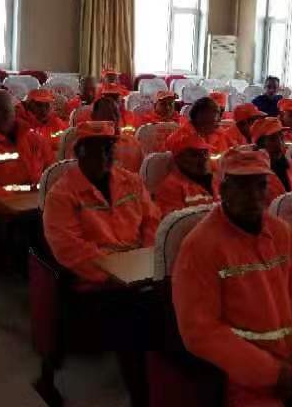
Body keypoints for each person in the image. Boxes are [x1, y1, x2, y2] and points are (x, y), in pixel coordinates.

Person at [173, 147, 292, 406]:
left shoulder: (281, 232)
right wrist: (272, 373)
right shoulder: (199, 246)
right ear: (223, 189)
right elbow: (200, 331)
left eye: (260, 185)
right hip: (243, 379)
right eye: (242, 186)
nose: (253, 195)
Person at [43, 120, 160, 407]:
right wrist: (116, 273)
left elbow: (152, 221)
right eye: (97, 150)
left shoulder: (131, 180)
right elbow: (69, 249)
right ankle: (141, 397)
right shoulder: (62, 194)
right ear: (79, 153)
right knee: (133, 320)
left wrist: (142, 259)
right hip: (95, 283)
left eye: (109, 149)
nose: (106, 156)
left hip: (138, 273)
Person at [76, 97, 143, 174]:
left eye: (115, 114)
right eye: (106, 114)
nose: (113, 118)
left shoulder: (133, 144)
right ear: (93, 117)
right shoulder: (83, 144)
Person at [157, 134, 218, 216]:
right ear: (178, 158)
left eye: (205, 153)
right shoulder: (170, 187)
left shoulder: (216, 179)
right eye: (195, 155)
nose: (203, 158)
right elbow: (175, 221)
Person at [251, 117, 292, 205]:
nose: (279, 143)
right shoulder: (253, 175)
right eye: (272, 139)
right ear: (260, 144)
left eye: (281, 137)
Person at [168, 96, 230, 162]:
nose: (218, 124)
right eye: (214, 121)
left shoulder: (219, 134)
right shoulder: (179, 139)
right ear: (201, 119)